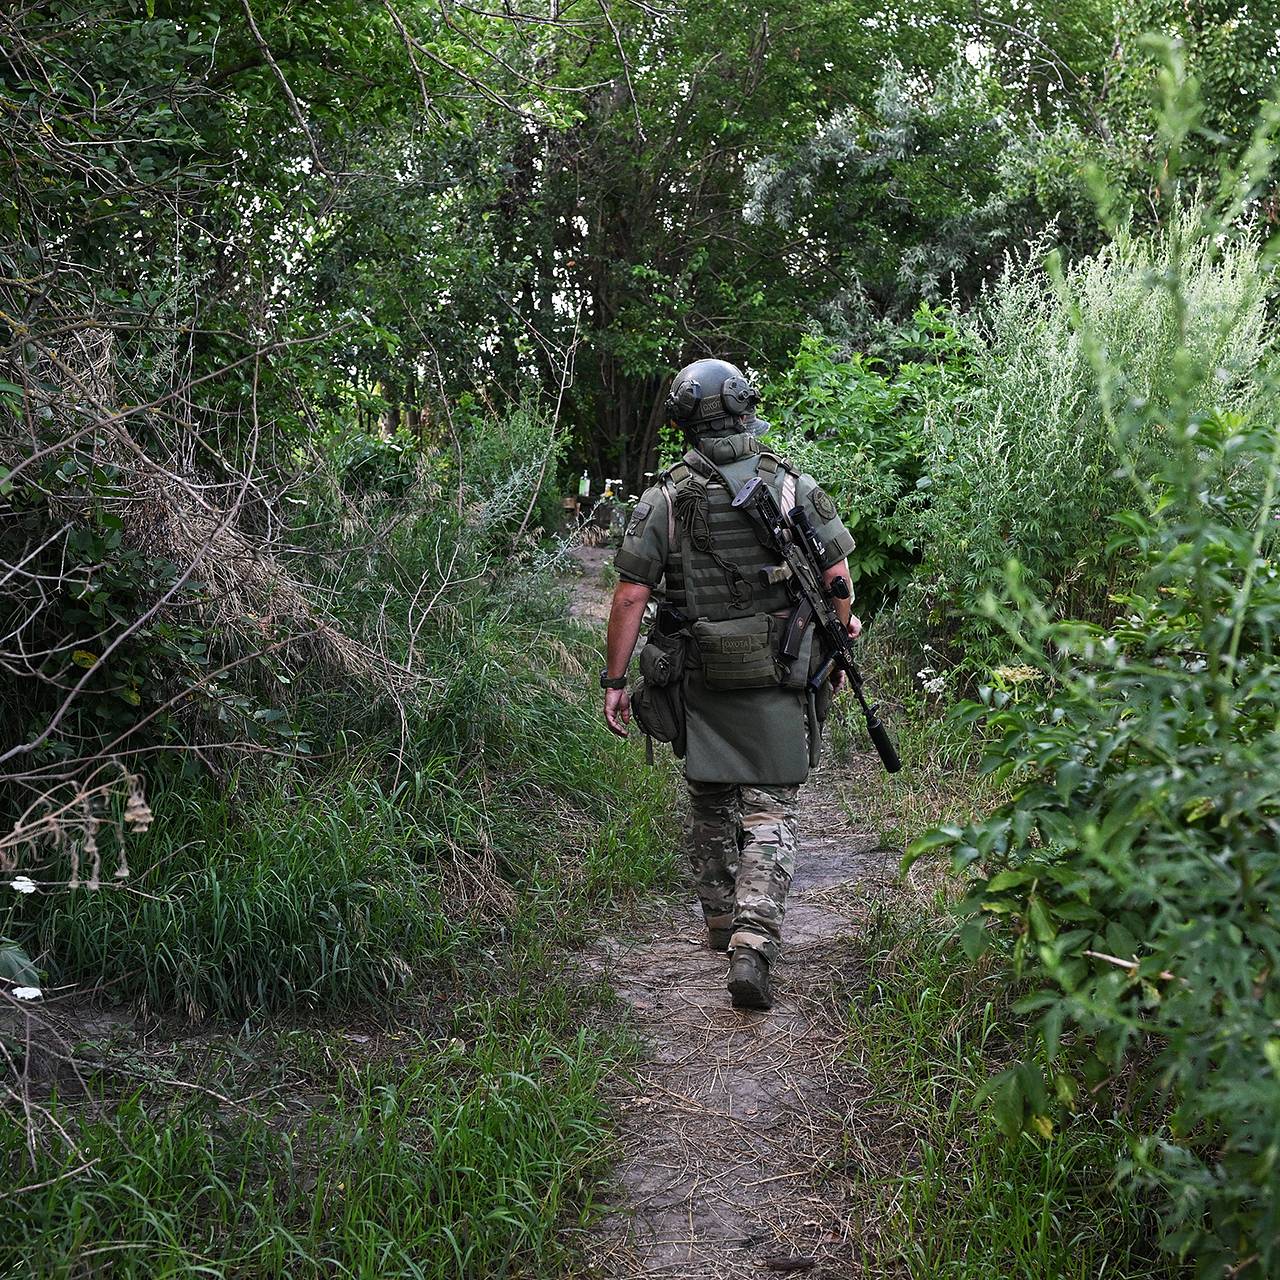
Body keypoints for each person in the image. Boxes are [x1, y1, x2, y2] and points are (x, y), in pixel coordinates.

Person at [600, 358, 861, 1011]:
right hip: (781, 666)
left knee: (711, 800)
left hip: (702, 672)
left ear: (685, 419)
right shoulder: (793, 485)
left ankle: (720, 920)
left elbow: (632, 595)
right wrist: (839, 636)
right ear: (747, 407)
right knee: (771, 810)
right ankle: (753, 942)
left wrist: (613, 679)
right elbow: (839, 580)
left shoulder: (664, 497)